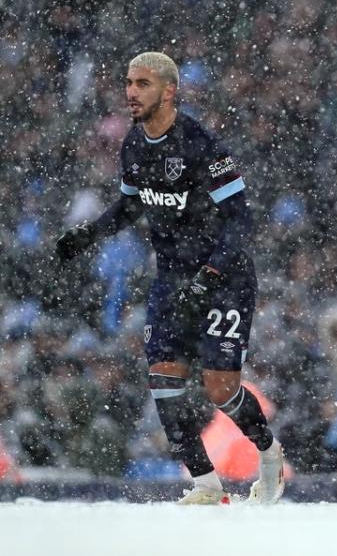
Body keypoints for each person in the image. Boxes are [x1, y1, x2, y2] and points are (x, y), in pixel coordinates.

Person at [56, 52, 284, 504]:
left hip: (224, 277)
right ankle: (205, 485)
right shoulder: (134, 145)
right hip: (172, 278)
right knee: (164, 379)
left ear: (169, 90)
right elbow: (131, 205)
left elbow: (241, 221)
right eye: (128, 82)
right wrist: (90, 233)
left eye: (142, 83)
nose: (131, 92)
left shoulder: (201, 144)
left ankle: (270, 455)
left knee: (220, 390)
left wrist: (212, 272)